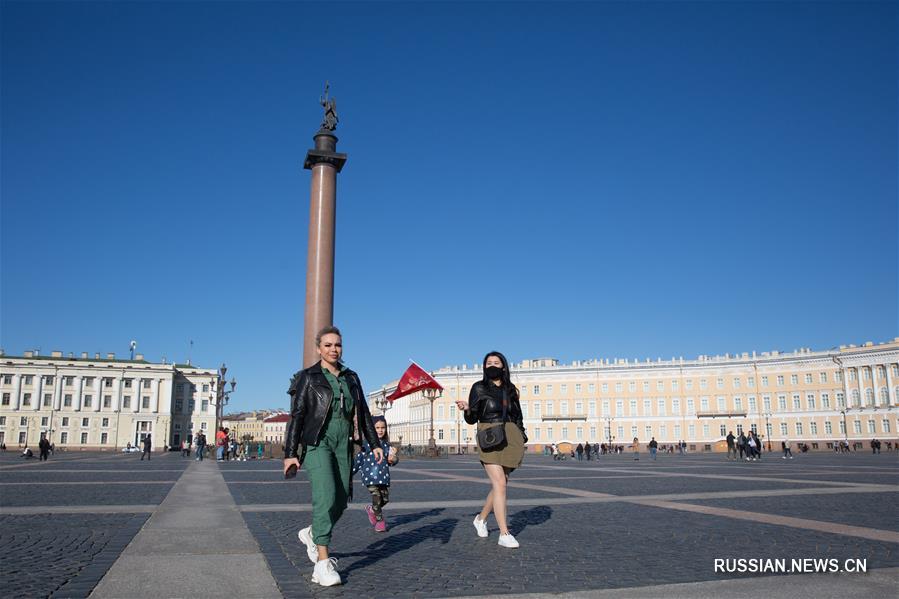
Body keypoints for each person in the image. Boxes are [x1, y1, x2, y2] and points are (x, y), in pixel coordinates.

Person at [283, 326, 383, 587]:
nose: (333, 349)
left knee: (340, 501)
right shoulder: (308, 377)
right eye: (327, 345)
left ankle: (313, 533)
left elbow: (362, 412)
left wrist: (374, 443)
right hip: (318, 442)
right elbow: (298, 417)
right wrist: (290, 453)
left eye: (337, 345)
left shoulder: (351, 377)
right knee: (326, 496)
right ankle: (322, 564)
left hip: (344, 443)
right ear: (319, 348)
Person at [455, 351, 526, 549]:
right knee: (500, 483)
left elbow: (518, 415)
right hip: (489, 435)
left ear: (503, 366)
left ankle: (481, 518)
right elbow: (472, 419)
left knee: (500, 484)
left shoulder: (511, 390)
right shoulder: (478, 387)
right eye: (488, 363)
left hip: (510, 435)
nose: (492, 365)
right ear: (484, 367)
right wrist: (467, 409)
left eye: (496, 362)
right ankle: (504, 533)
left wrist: (521, 436)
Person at [353, 416, 398, 532]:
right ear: (371, 429)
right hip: (370, 477)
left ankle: (372, 510)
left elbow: (392, 461)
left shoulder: (387, 445)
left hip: (383, 477)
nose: (380, 430)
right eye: (377, 427)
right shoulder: (367, 444)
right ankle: (380, 521)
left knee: (385, 499)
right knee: (377, 497)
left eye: (383, 427)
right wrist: (349, 473)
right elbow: (359, 459)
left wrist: (393, 458)